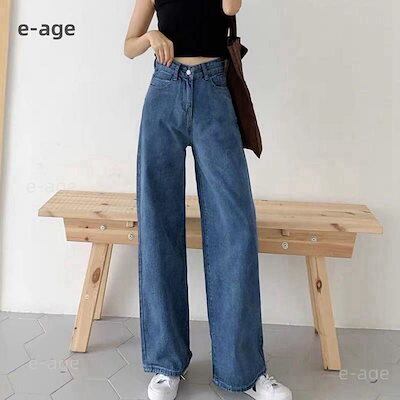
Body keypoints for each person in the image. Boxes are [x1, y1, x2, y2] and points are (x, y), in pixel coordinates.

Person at [124, 1, 292, 399]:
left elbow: (231, 6)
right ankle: (166, 364)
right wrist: (150, 36)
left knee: (235, 230)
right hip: (164, 90)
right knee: (157, 224)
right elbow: (129, 45)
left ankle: (244, 370)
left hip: (215, 91)